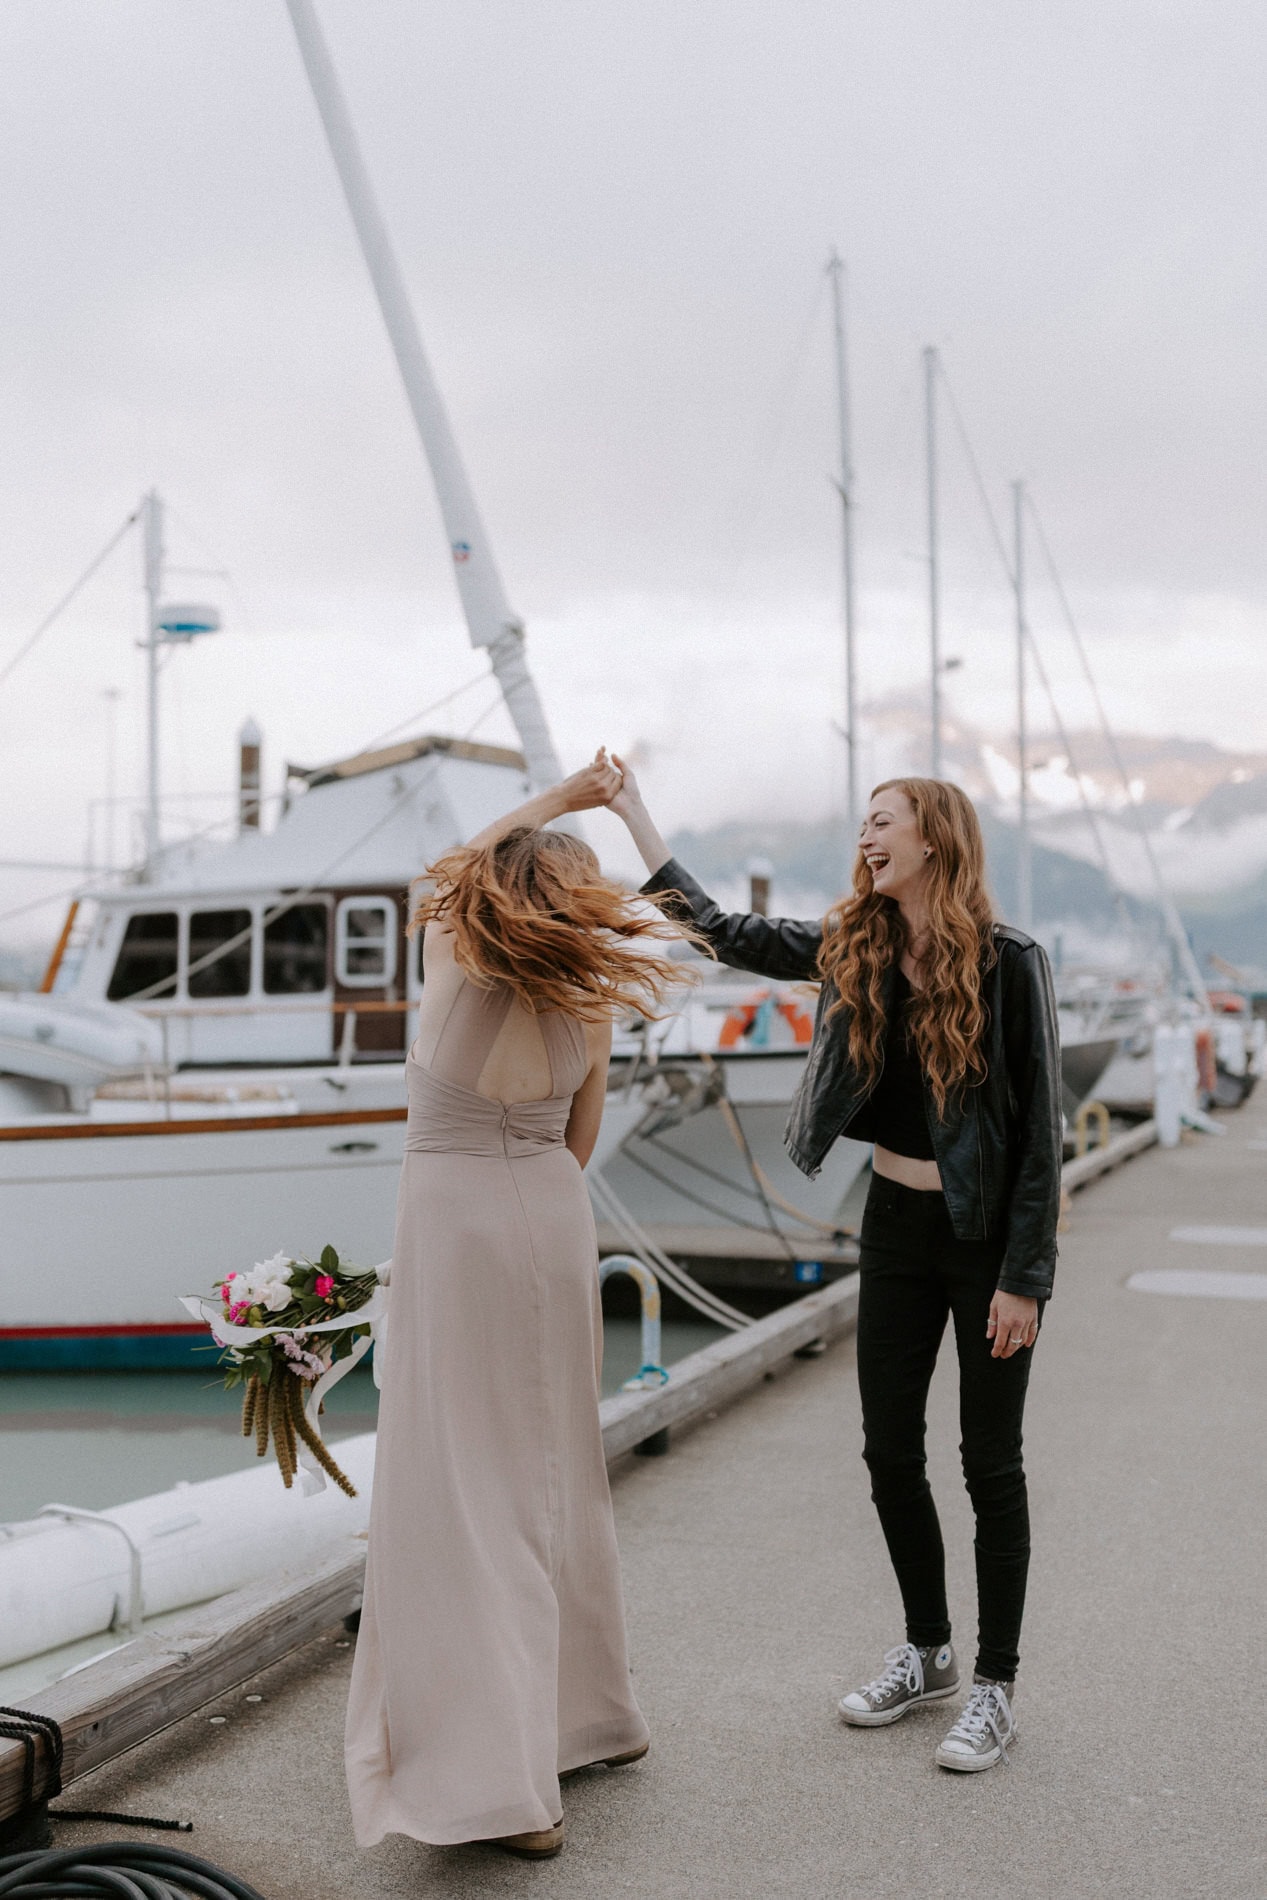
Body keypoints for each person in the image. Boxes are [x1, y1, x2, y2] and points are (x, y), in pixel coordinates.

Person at [607, 761, 1061, 1773]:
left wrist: (1025, 1275)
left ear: (933, 838)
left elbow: (1041, 1133)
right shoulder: (853, 942)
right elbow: (721, 929)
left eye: (881, 821)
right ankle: (928, 1652)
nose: (866, 836)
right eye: (863, 822)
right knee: (887, 1451)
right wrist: (634, 812)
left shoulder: (1007, 959)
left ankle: (995, 1686)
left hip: (987, 1240)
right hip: (893, 1223)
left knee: (988, 1463)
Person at [345, 749, 690, 1857]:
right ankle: (593, 1714)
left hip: (455, 1224)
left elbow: (450, 866)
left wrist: (561, 799)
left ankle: (507, 1786)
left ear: (496, 890)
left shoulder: (453, 951)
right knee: (554, 1468)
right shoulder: (586, 999)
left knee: (460, 1489)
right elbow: (579, 1143)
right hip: (550, 1213)